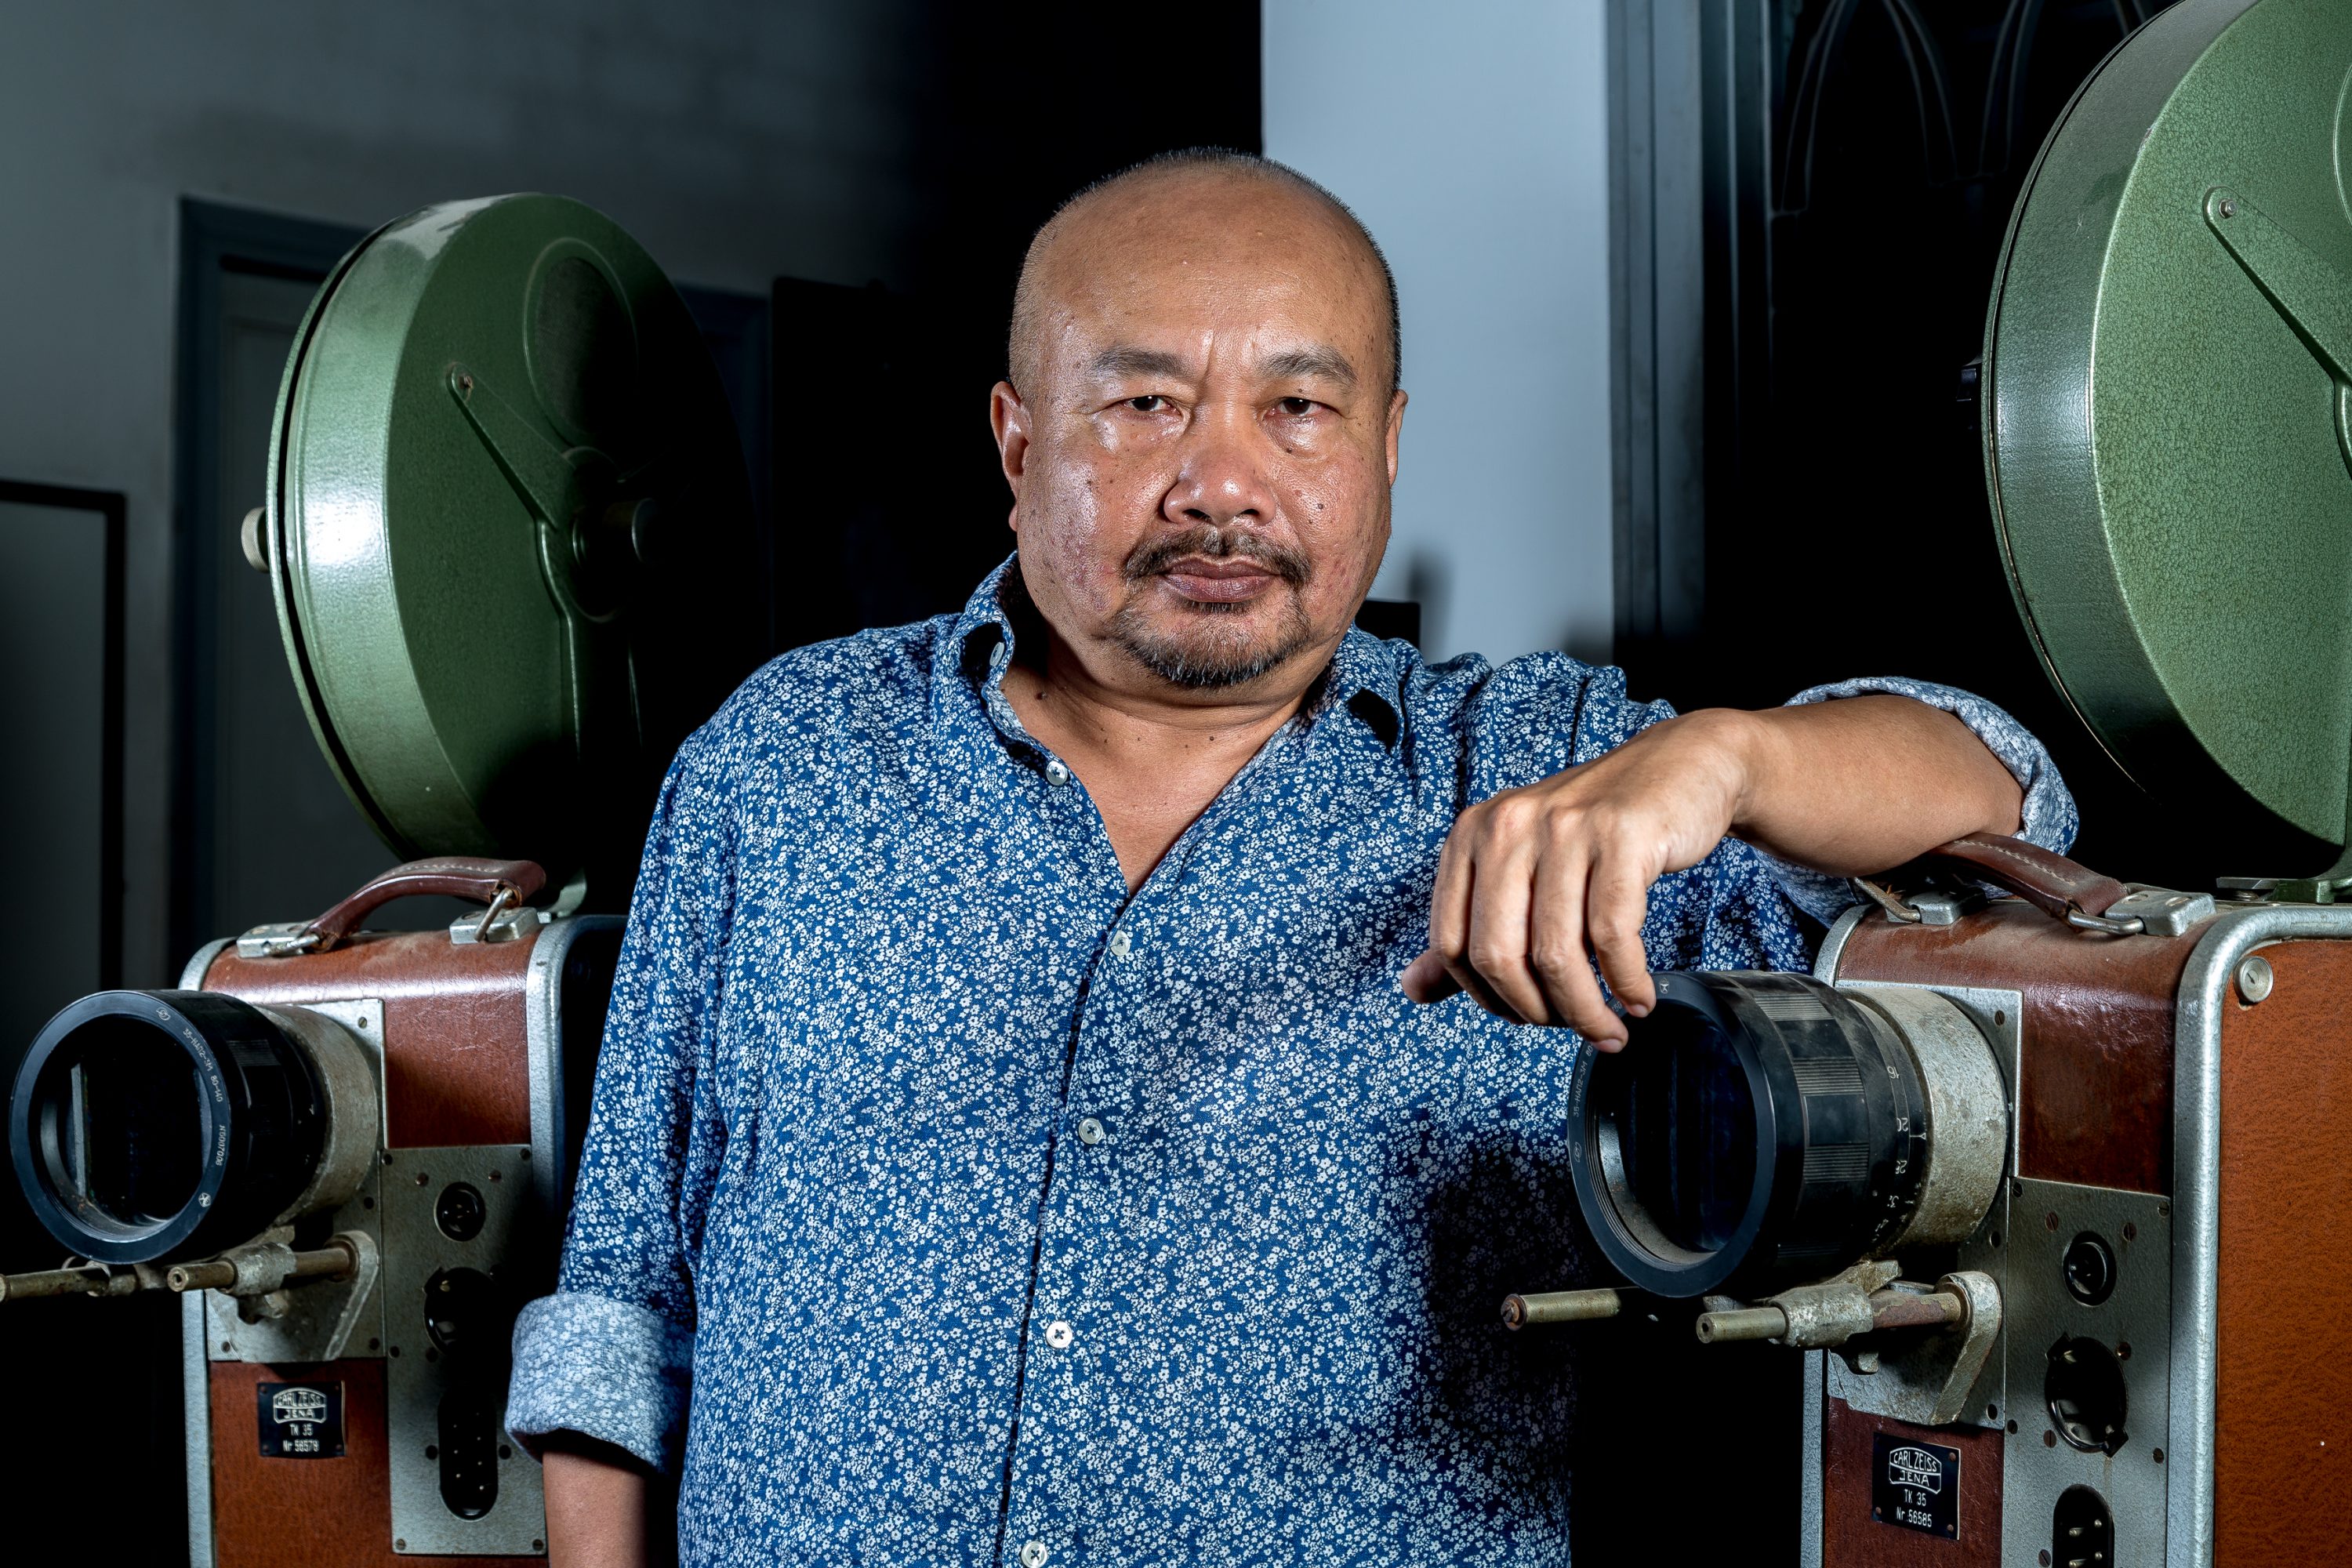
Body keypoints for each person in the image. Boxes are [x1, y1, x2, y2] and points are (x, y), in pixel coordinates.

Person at [506, 149, 2071, 1566]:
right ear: (1015, 433)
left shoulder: (1532, 770)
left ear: (1386, 447)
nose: (1224, 481)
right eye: (1144, 403)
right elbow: (626, 1299)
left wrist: (1727, 759)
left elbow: (2007, 805)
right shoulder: (781, 765)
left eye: (1297, 407)